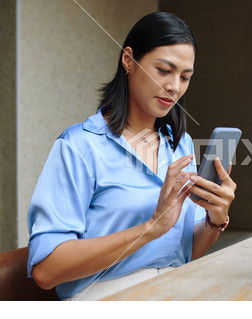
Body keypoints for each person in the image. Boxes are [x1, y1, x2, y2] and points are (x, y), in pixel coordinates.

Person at [26, 11, 236, 300]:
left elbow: (186, 252)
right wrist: (150, 227)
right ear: (129, 60)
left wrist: (215, 218)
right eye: (164, 70)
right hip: (102, 295)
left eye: (185, 77)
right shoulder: (80, 146)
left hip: (173, 287)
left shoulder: (180, 144)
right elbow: (46, 271)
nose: (175, 86)